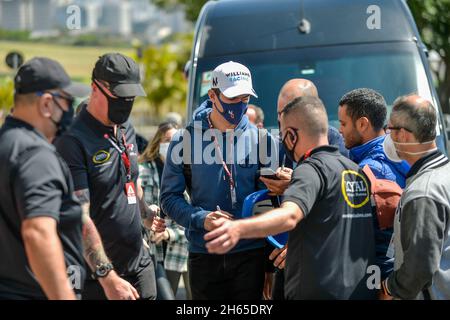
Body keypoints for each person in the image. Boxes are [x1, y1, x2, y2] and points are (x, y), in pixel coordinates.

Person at [205, 96, 377, 300]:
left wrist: (238, 228)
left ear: (292, 135)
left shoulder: (309, 170)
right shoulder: (356, 171)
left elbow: (289, 215)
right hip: (360, 291)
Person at [160, 61, 278, 300]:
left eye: (245, 98)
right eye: (233, 98)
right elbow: (169, 198)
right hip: (204, 254)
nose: (240, 105)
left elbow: (270, 203)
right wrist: (202, 219)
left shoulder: (264, 140)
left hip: (250, 255)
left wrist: (269, 265)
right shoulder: (184, 139)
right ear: (212, 95)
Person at [55, 53, 162, 300]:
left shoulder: (126, 128)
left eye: (131, 97)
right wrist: (107, 276)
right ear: (95, 88)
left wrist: (146, 215)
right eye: (119, 96)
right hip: (100, 279)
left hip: (140, 266)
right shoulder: (72, 141)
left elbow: (130, 181)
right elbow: (78, 217)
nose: (126, 102)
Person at [0, 57, 89, 299]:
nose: (70, 110)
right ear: (47, 104)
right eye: (67, 101)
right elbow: (38, 231)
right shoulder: (36, 155)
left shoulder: (6, 143)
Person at [260, 78, 348, 300]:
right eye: (279, 113)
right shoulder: (276, 145)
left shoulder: (340, 147)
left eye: (288, 112)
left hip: (322, 266)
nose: (281, 121)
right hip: (282, 261)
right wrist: (266, 265)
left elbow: (337, 210)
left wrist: (296, 184)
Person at [380, 95, 450, 300]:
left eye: (390, 129)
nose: (387, 135)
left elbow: (419, 268)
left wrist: (388, 288)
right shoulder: (443, 172)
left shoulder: (424, 191)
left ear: (402, 134)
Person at [337, 88, 410, 282]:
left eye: (343, 123)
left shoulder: (370, 172)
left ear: (362, 124)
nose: (339, 129)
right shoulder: (400, 152)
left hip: (380, 279)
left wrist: (384, 286)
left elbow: (383, 242)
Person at [138, 121, 192, 299]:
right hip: (155, 250)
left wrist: (170, 233)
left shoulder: (190, 170)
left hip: (184, 247)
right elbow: (139, 210)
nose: (172, 145)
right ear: (158, 143)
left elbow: (194, 215)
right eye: (168, 140)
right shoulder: (144, 170)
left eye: (177, 140)